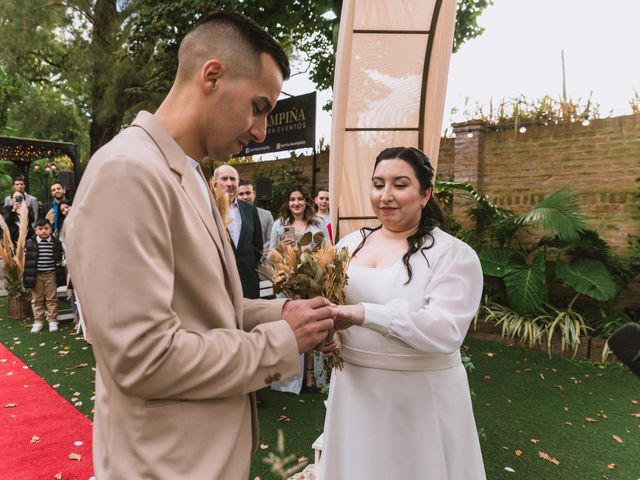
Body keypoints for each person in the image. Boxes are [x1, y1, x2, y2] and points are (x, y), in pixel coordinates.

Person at [64, 12, 334, 480]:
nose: (260, 132)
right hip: (165, 465)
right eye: (258, 106)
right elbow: (145, 358)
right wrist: (283, 342)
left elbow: (210, 309)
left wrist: (294, 315)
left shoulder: (188, 173)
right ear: (212, 76)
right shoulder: (127, 172)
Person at [320, 147, 486, 479]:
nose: (385, 196)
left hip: (418, 397)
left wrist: (364, 314)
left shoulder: (454, 255)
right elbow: (329, 302)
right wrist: (327, 332)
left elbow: (445, 330)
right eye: (378, 184)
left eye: (399, 184)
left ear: (425, 194)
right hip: (353, 390)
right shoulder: (347, 246)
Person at [269, 184, 330, 394]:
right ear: (288, 203)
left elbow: (328, 249)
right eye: (292, 199)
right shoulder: (279, 224)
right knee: (292, 329)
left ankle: (312, 376)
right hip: (288, 282)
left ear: (307, 202)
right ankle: (290, 377)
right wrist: (280, 248)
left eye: (300, 199)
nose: (296, 203)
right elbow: (269, 254)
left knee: (312, 327)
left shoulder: (318, 223)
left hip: (312, 280)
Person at [213, 165, 263, 299]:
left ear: (238, 182)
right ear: (214, 183)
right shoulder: (208, 209)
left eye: (233, 179)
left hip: (248, 279)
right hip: (221, 279)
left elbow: (258, 246)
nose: (229, 183)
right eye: (224, 179)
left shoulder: (250, 210)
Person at [23, 219, 66, 333]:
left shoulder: (55, 242)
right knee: (37, 299)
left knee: (51, 298)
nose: (43, 231)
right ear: (35, 230)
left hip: (51, 274)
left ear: (51, 229)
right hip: (36, 275)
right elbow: (27, 261)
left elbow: (60, 257)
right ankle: (38, 321)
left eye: (46, 229)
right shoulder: (29, 243)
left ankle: (52, 320)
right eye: (40, 229)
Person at [238, 178, 274, 250]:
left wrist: (259, 255)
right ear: (236, 196)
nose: (245, 197)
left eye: (248, 193)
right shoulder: (231, 216)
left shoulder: (267, 215)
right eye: (241, 194)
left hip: (262, 258)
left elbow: (271, 240)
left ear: (254, 194)